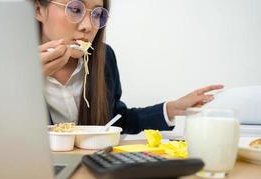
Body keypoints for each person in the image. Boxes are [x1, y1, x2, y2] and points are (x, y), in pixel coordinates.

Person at [34, 0, 224, 134]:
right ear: (39, 10)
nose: (88, 26)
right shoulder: (9, 65)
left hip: (92, 173)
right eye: (75, 9)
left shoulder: (104, 58)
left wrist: (172, 109)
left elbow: (117, 120)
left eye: (97, 14)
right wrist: (23, 81)